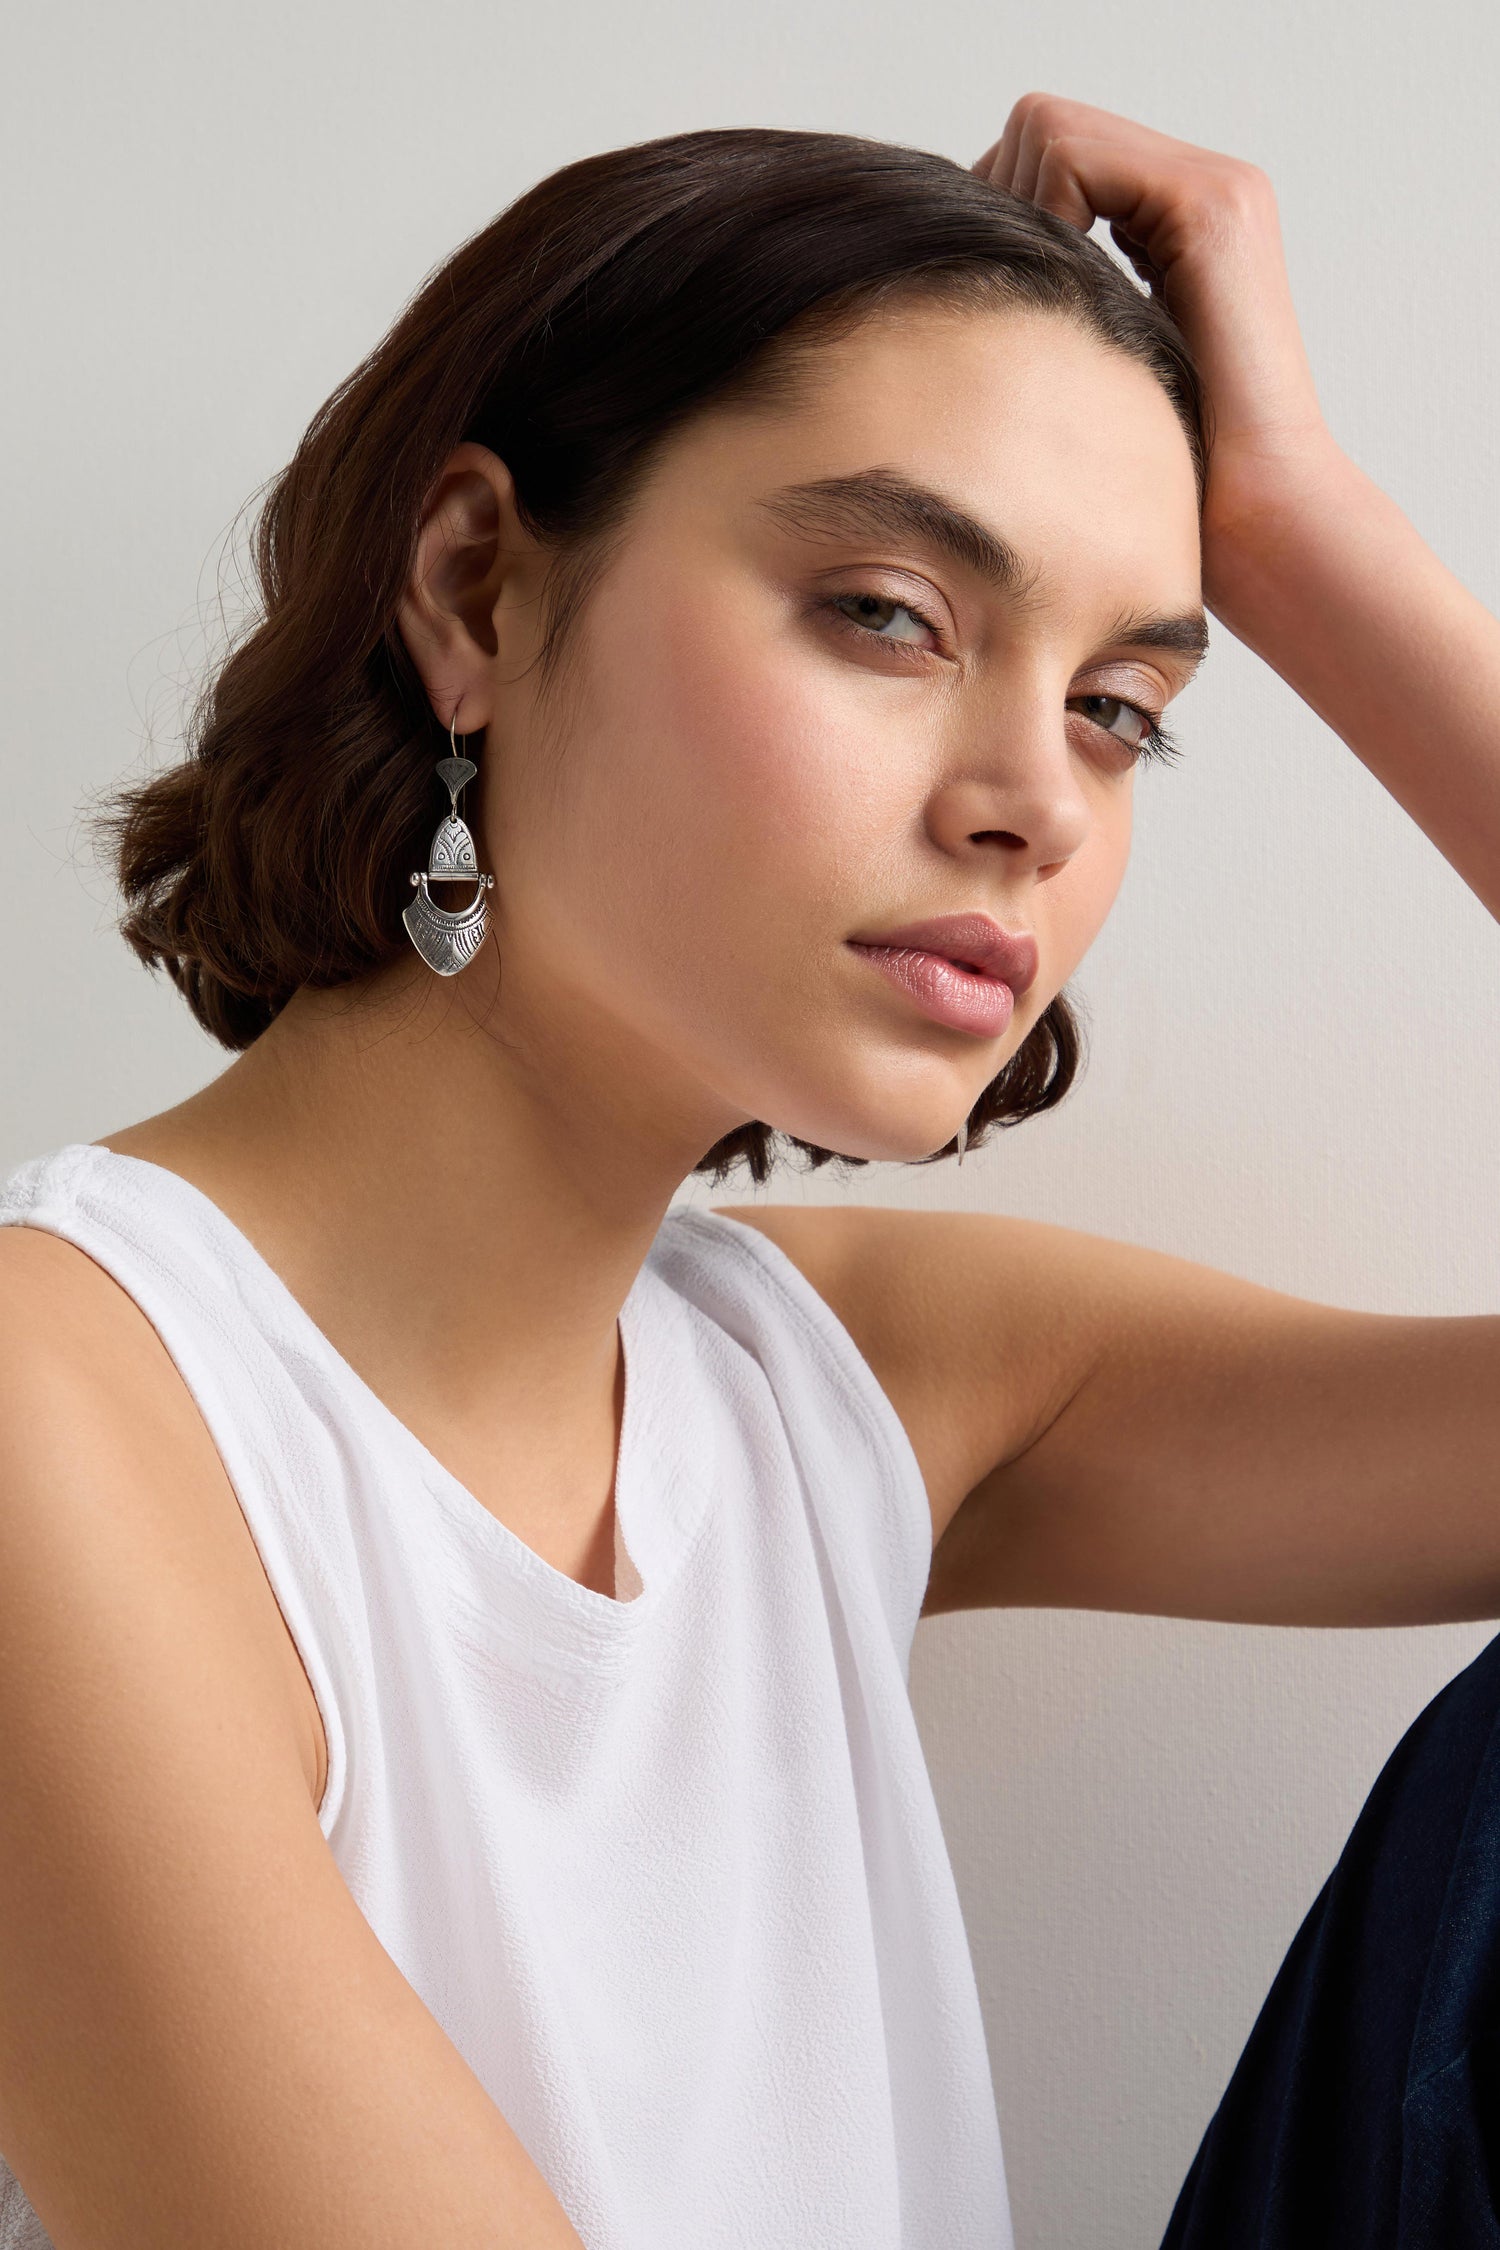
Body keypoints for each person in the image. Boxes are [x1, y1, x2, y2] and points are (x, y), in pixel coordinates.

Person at [0, 89, 1496, 2250]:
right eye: (893, 612)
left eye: (1120, 703)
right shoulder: (73, 1415)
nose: (1035, 804)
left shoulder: (852, 1388)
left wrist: (1301, 529)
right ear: (479, 588)